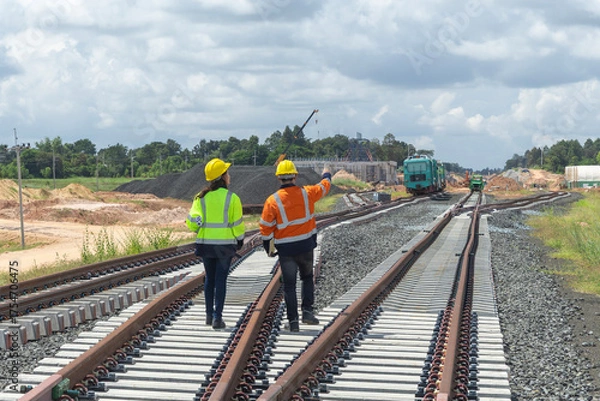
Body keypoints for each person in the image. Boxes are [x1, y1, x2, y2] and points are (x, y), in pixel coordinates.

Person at [259, 160, 331, 332]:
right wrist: (326, 174)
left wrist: (268, 247)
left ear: (278, 178)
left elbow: (265, 227)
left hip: (286, 250)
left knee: (289, 285)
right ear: (295, 176)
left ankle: (293, 323)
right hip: (306, 246)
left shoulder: (272, 201)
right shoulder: (307, 193)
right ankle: (307, 312)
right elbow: (324, 187)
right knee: (307, 278)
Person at [186, 158, 245, 330]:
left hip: (206, 245)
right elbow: (237, 225)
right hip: (225, 247)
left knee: (209, 279)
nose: (229, 175)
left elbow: (193, 222)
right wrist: (239, 240)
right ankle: (218, 318)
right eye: (227, 172)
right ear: (223, 176)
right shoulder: (232, 198)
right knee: (220, 280)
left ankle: (208, 315)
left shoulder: (200, 198)